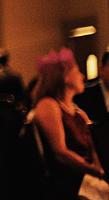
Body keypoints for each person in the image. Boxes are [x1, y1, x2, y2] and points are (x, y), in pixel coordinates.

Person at [32, 47, 109, 200]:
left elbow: (94, 151)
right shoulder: (48, 105)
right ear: (65, 77)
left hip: (87, 177)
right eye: (77, 71)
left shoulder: (80, 113)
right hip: (69, 183)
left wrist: (102, 171)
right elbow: (60, 153)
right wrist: (98, 173)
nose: (82, 76)